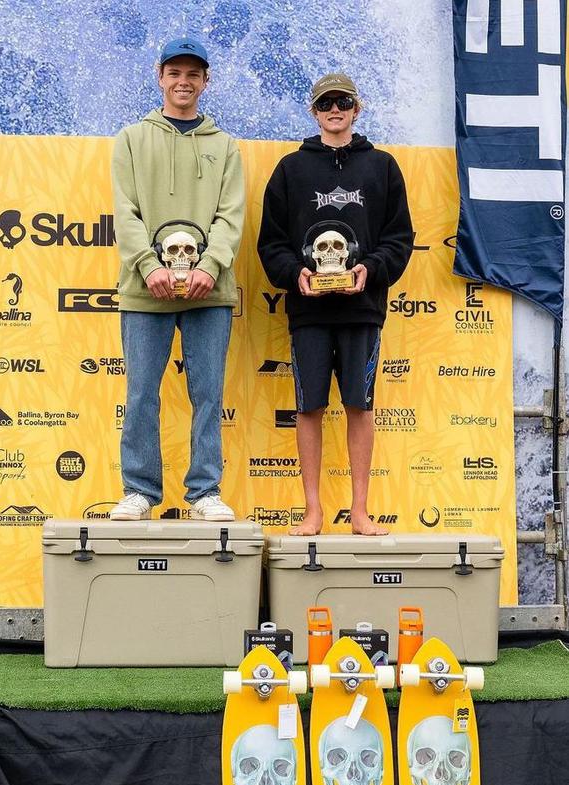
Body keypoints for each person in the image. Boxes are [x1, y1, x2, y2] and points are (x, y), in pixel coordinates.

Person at [257, 73, 413, 536]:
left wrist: (371, 270)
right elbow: (272, 243)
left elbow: (399, 238)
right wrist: (294, 274)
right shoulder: (290, 169)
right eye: (326, 103)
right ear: (314, 111)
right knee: (309, 408)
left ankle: (360, 512)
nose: (335, 110)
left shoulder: (382, 166)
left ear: (357, 108)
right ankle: (313, 511)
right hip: (308, 313)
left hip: (362, 310)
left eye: (343, 101)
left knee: (360, 406)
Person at [110, 37, 245, 521]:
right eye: (175, 73)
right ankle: (140, 491)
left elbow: (231, 215)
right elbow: (125, 213)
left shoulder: (225, 146)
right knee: (142, 393)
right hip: (145, 291)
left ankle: (204, 490)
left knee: (208, 394)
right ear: (160, 76)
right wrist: (149, 266)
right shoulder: (130, 139)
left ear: (205, 81)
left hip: (211, 292)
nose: (183, 82)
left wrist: (209, 267)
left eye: (193, 74)